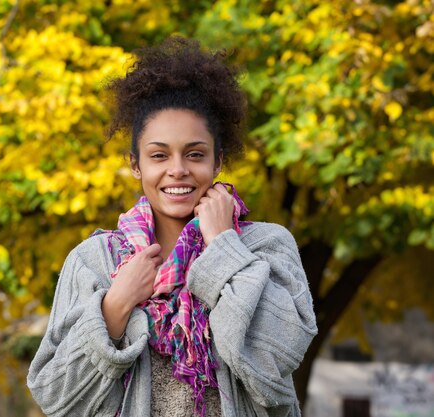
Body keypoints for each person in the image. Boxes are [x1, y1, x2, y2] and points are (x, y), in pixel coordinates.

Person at [27, 36, 318, 417]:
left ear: (217, 162)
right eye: (159, 155)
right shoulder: (93, 261)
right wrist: (114, 306)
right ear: (136, 165)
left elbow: (274, 361)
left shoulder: (265, 247)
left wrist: (223, 249)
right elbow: (53, 395)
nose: (177, 169)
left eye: (195, 154)